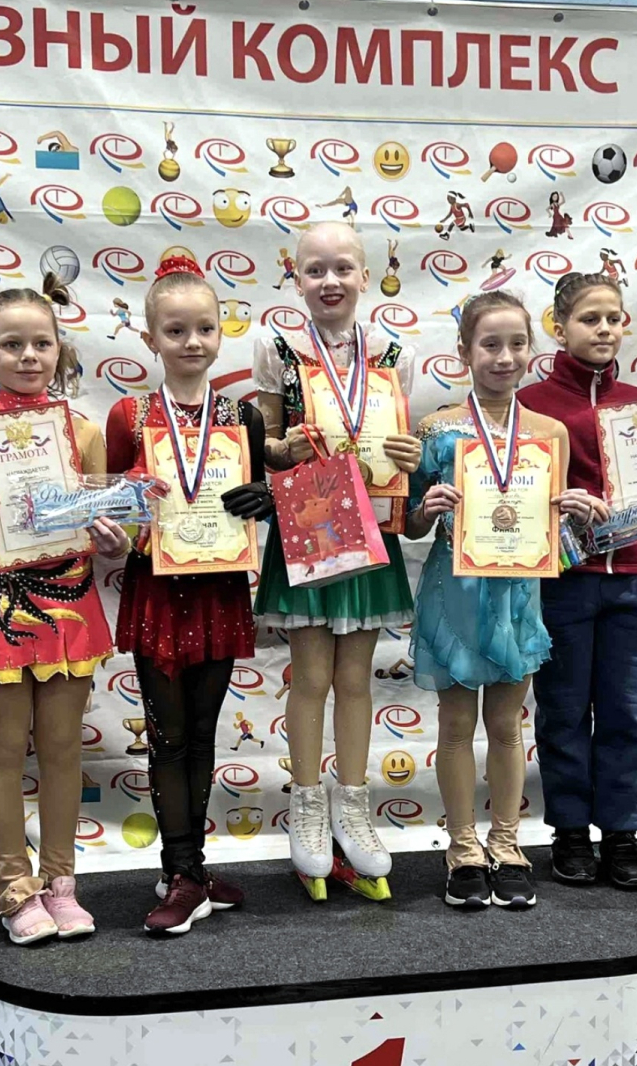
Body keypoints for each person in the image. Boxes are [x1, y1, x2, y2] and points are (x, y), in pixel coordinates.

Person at [0, 275, 128, 944]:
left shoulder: (83, 431)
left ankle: (61, 884)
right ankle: (15, 888)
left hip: (70, 603)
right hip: (0, 609)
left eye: (41, 343)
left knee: (65, 749)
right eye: (11, 344)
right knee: (5, 751)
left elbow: (107, 523)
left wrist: (114, 539)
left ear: (59, 349)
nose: (27, 356)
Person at [517, 272, 637, 889]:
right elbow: (514, 494)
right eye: (589, 319)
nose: (604, 329)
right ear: (559, 327)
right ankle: (571, 831)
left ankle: (622, 833)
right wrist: (560, 505)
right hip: (564, 580)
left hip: (634, 579)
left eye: (614, 318)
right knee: (563, 708)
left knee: (630, 710)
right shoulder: (530, 405)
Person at [252, 222, 421, 900]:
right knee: (312, 676)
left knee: (356, 679)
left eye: (343, 268)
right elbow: (263, 441)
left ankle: (353, 808)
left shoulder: (396, 353)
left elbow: (401, 441)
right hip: (309, 524)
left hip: (371, 526)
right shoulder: (278, 349)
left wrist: (410, 456)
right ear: (295, 277)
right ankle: (307, 809)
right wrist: (283, 449)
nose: (330, 281)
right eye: (315, 269)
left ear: (366, 276)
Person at [105, 254, 272, 934]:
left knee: (202, 734)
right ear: (151, 339)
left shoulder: (243, 417)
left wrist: (266, 500)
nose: (192, 342)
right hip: (158, 590)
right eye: (175, 331)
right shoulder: (128, 415)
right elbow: (110, 512)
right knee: (168, 737)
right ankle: (181, 870)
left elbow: (255, 499)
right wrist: (124, 519)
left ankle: (191, 869)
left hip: (220, 589)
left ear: (221, 332)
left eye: (204, 328)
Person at [406, 291, 560, 911]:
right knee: (455, 725)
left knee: (505, 725)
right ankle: (462, 847)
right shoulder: (436, 428)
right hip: (454, 590)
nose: (504, 357)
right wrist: (426, 508)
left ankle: (507, 842)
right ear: (464, 351)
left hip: (518, 595)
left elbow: (558, 537)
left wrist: (578, 516)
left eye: (517, 344)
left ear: (531, 349)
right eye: (490, 344)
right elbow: (408, 525)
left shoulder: (549, 433)